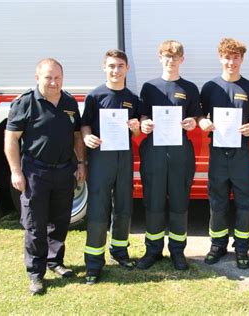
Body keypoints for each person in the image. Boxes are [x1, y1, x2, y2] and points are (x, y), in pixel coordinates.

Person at [4, 58, 86, 295]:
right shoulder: (26, 103)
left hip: (64, 171)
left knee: (60, 221)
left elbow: (77, 136)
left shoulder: (70, 102)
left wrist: (80, 163)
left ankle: (54, 261)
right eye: (48, 77)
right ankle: (35, 274)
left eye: (58, 77)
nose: (53, 82)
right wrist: (15, 171)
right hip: (35, 172)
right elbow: (11, 138)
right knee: (35, 225)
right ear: (37, 77)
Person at [137, 40, 202, 271]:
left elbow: (197, 118)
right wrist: (145, 124)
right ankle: (152, 250)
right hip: (154, 150)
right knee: (153, 201)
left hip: (180, 152)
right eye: (167, 56)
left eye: (175, 57)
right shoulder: (149, 87)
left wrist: (192, 122)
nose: (170, 60)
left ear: (182, 60)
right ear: (159, 57)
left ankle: (177, 251)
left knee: (178, 201)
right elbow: (141, 116)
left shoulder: (190, 88)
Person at [199, 38, 249, 269]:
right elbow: (199, 114)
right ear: (220, 58)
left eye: (236, 57)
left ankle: (242, 248)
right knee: (217, 200)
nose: (231, 62)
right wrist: (203, 122)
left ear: (242, 59)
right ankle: (217, 245)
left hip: (241, 153)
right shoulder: (210, 87)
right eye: (227, 57)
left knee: (245, 200)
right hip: (217, 151)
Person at [81, 49, 141, 285]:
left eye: (120, 66)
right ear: (104, 68)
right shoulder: (95, 96)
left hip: (124, 157)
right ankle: (94, 263)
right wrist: (87, 138)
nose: (116, 70)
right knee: (98, 207)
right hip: (100, 158)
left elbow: (136, 132)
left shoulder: (132, 98)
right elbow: (85, 126)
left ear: (127, 68)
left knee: (124, 205)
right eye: (111, 66)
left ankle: (120, 251)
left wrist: (136, 126)